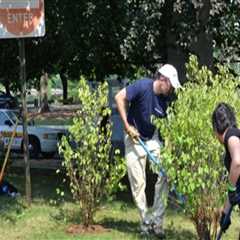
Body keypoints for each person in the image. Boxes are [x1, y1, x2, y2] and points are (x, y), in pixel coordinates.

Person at [114, 64, 181, 238]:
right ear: (163, 80)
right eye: (171, 84)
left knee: (164, 176)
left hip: (152, 140)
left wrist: (168, 150)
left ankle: (157, 223)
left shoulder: (165, 101)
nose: (172, 88)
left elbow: (167, 128)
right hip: (133, 138)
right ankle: (145, 223)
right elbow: (119, 97)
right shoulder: (142, 86)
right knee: (138, 183)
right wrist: (127, 126)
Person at [212, 102, 240, 233]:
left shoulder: (232, 136)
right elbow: (234, 186)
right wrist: (225, 213)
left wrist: (232, 188)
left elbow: (237, 162)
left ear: (216, 127)